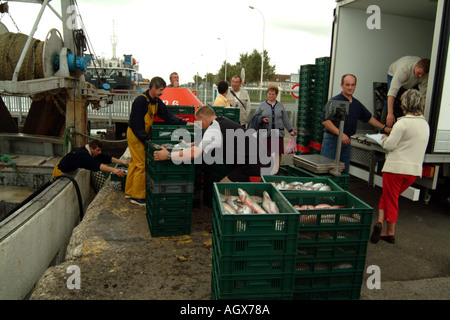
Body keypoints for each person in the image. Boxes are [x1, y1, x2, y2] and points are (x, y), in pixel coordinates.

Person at [153, 106, 275, 182]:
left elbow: (194, 153)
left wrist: (168, 156)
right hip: (255, 161)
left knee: (222, 192)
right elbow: (200, 142)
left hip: (257, 165)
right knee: (223, 190)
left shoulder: (213, 129)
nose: (198, 125)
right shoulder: (220, 122)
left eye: (198, 122)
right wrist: (186, 144)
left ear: (202, 117)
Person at [370, 89, 430, 244]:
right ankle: (380, 222)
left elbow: (390, 145)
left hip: (395, 169)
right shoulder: (425, 125)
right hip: (413, 171)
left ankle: (390, 233)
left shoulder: (402, 123)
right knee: (389, 197)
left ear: (404, 104)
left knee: (391, 200)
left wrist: (383, 138)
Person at [125, 76, 189, 206]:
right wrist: (145, 139)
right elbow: (136, 123)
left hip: (141, 133)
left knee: (134, 162)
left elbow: (167, 116)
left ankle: (130, 191)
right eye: (160, 90)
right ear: (153, 87)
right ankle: (137, 197)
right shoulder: (140, 101)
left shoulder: (156, 101)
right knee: (141, 164)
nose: (161, 93)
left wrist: (184, 123)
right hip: (135, 134)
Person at [321, 74, 392, 174]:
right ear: (342, 85)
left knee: (343, 172)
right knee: (327, 170)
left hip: (346, 142)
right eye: (347, 84)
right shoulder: (334, 101)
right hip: (332, 141)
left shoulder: (356, 104)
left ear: (355, 86)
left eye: (352, 85)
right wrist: (340, 134)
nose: (350, 88)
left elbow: (369, 118)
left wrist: (384, 128)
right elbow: (326, 121)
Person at [250, 85, 295, 167]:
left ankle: (276, 168)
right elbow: (255, 117)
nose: (271, 96)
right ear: (267, 94)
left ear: (276, 95)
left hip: (277, 133)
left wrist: (290, 130)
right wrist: (262, 119)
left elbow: (285, 119)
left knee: (277, 152)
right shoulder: (262, 105)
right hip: (265, 132)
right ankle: (265, 169)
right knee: (265, 152)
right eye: (270, 94)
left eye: (273, 94)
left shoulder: (280, 105)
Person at [382, 56, 430, 127]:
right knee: (391, 101)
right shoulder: (403, 69)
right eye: (419, 73)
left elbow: (423, 97)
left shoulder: (425, 76)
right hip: (393, 74)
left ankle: (404, 125)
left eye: (422, 75)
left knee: (411, 101)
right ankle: (383, 126)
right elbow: (392, 93)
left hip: (411, 81)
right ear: (416, 66)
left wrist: (421, 118)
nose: (420, 76)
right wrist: (390, 114)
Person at [52, 139, 128, 178]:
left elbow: (107, 158)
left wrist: (122, 162)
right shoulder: (83, 155)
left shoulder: (91, 152)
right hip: (60, 171)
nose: (99, 152)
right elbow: (96, 165)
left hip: (71, 170)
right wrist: (114, 170)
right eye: (98, 150)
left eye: (100, 150)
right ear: (91, 148)